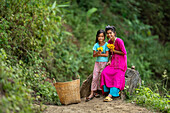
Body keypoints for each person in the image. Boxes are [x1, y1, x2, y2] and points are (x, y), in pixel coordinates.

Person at [100, 25, 127, 102]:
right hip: (113, 61)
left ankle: (111, 94)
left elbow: (124, 53)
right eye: (107, 33)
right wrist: (109, 60)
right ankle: (107, 91)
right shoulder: (109, 42)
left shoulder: (119, 41)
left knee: (117, 75)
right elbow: (110, 54)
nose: (109, 35)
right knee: (104, 73)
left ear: (114, 33)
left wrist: (114, 50)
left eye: (110, 33)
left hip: (121, 62)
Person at [86, 30, 109, 102]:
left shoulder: (106, 44)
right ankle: (92, 92)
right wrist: (97, 53)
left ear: (104, 37)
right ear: (97, 37)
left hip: (104, 63)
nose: (100, 38)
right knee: (95, 76)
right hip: (97, 63)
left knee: (100, 77)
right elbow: (94, 55)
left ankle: (99, 91)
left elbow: (107, 55)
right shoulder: (96, 45)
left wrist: (99, 54)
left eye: (102, 36)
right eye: (99, 36)